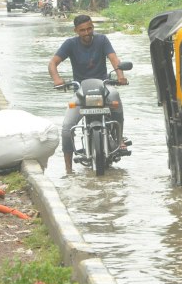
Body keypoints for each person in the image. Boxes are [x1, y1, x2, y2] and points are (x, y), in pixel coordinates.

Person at [48, 15, 128, 174]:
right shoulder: (70, 44)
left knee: (115, 97)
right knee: (67, 128)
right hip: (81, 90)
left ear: (93, 27)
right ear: (76, 31)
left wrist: (120, 76)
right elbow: (53, 63)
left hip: (103, 86)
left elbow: (114, 59)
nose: (86, 33)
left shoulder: (102, 40)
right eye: (82, 30)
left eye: (89, 28)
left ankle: (119, 138)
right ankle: (68, 170)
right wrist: (57, 79)